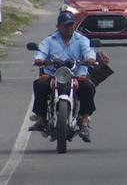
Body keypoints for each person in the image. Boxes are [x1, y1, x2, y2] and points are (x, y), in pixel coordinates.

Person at [30, 12, 97, 142]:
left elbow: (89, 51)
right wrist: (39, 59)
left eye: (71, 25)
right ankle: (41, 119)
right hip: (53, 75)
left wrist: (90, 59)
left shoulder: (81, 40)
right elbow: (41, 52)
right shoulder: (49, 40)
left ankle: (83, 123)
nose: (68, 28)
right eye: (65, 26)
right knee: (40, 84)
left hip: (76, 75)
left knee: (88, 87)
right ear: (58, 26)